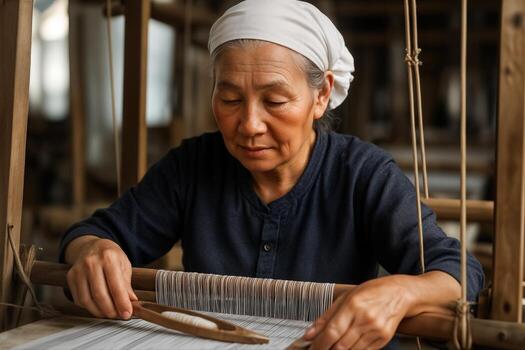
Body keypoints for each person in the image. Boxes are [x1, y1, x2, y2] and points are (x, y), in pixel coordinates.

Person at [60, 1, 484, 349]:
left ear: (321, 96)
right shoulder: (193, 167)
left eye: (275, 102)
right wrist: (92, 250)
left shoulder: (362, 174)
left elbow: (459, 273)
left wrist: (400, 291)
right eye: (229, 98)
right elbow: (96, 233)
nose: (249, 124)